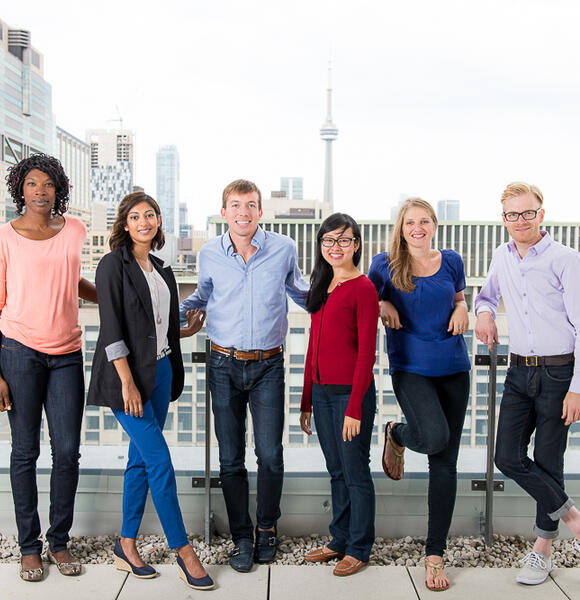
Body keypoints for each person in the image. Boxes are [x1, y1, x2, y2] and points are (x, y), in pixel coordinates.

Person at [474, 181, 580, 586]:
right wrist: (484, 312)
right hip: (518, 372)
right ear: (504, 219)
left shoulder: (566, 259)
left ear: (541, 215)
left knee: (549, 462)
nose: (520, 221)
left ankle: (542, 551)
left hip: (558, 374)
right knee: (507, 458)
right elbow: (487, 295)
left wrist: (579, 386)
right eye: (512, 214)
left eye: (527, 213)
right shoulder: (502, 255)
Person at [180, 179, 309, 572]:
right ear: (224, 212)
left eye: (250, 205)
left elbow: (303, 293)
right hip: (221, 363)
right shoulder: (210, 254)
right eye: (235, 205)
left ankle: (266, 527)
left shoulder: (283, 248)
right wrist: (164, 312)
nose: (243, 212)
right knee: (231, 458)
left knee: (269, 454)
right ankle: (241, 535)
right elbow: (201, 297)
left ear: (259, 211)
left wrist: (347, 291)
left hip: (269, 364)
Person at [87, 191, 214, 591]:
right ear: (125, 224)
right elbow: (113, 328)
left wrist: (184, 331)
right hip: (128, 379)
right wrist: (126, 380)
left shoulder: (161, 269)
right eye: (136, 216)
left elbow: (154, 327)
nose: (145, 221)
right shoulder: (112, 266)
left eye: (151, 215)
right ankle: (183, 550)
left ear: (159, 222)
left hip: (160, 371)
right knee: (159, 460)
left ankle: (126, 545)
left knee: (140, 461)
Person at [0, 153, 96, 582]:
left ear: (58, 189)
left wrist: (114, 297)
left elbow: (73, 282)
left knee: (67, 452)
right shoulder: (1, 240)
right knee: (25, 452)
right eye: (32, 183)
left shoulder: (75, 231)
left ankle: (59, 541)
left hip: (67, 354)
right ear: (20, 189)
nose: (40, 191)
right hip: (19, 354)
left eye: (47, 184)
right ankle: (29, 547)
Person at [367, 198, 471, 592]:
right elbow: (364, 300)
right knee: (433, 437)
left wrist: (464, 308)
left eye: (424, 221)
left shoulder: (452, 261)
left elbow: (459, 296)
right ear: (401, 227)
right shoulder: (384, 265)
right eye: (411, 222)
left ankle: (434, 554)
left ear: (434, 225)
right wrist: (382, 300)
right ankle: (398, 433)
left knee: (445, 464)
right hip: (411, 368)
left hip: (454, 368)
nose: (418, 227)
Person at [298, 213, 379, 577]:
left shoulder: (363, 288)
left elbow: (366, 354)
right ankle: (339, 539)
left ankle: (360, 548)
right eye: (328, 241)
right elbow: (313, 346)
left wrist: (355, 408)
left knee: (355, 472)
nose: (336, 247)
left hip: (351, 395)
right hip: (322, 394)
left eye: (344, 241)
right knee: (335, 471)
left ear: (356, 245)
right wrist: (305, 401)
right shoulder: (322, 285)